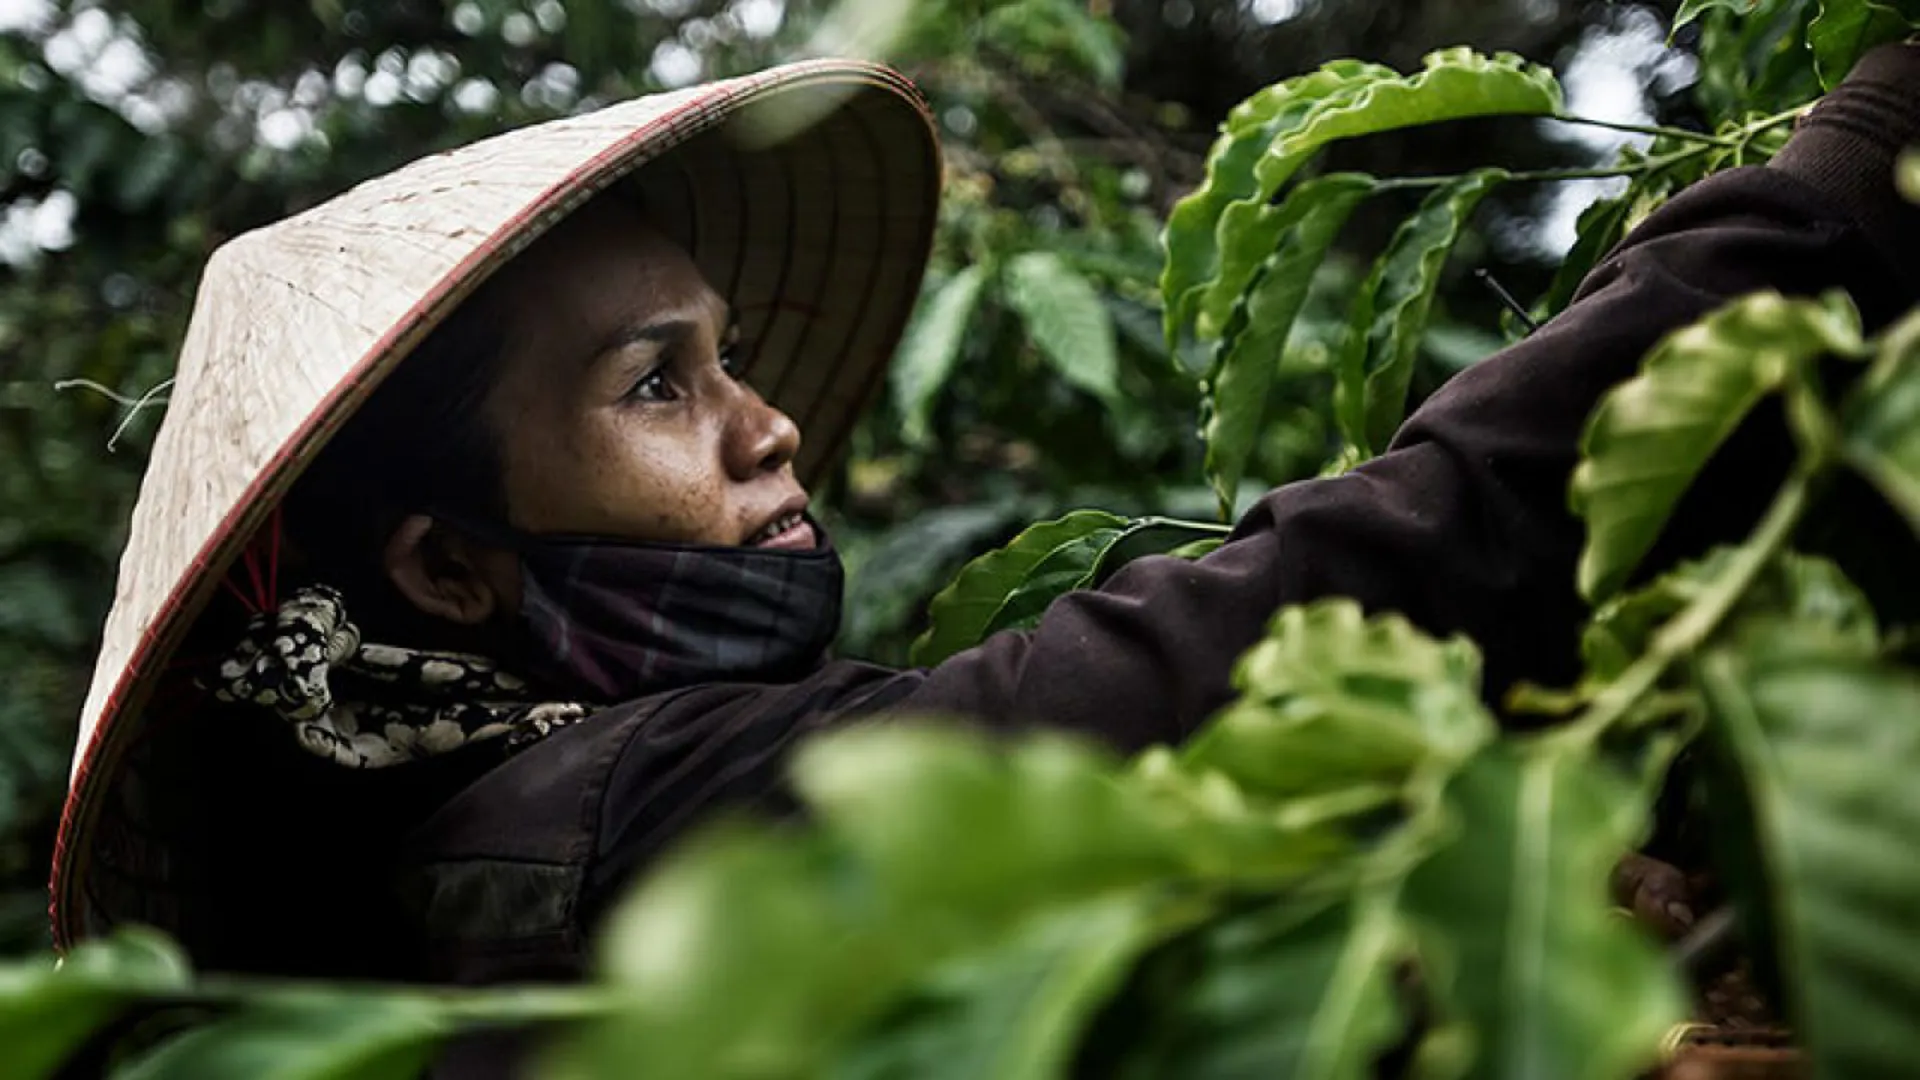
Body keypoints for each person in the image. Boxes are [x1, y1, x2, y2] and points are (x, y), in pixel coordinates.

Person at [48, 34, 1920, 1045]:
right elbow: (1316, 608)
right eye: (656, 388)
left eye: (736, 362)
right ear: (450, 573)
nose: (770, 425)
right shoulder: (600, 822)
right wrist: (1828, 197)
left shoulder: (439, 853)